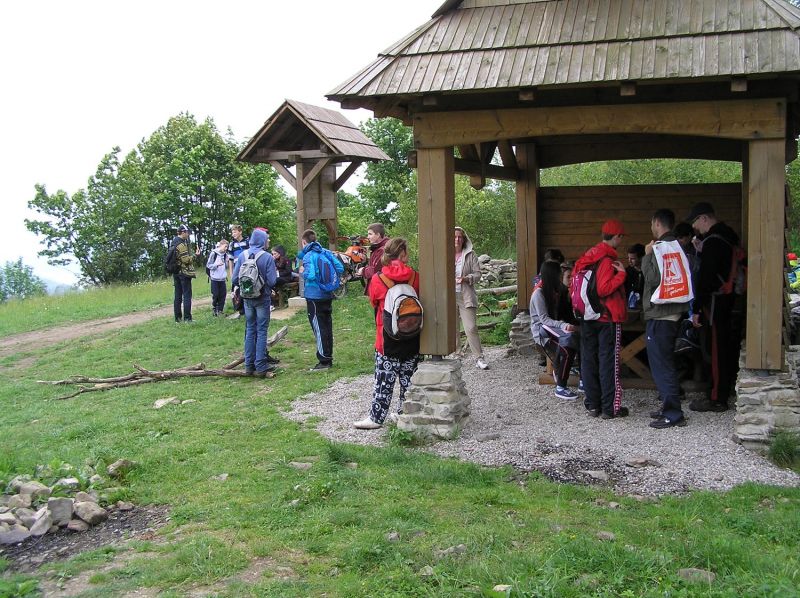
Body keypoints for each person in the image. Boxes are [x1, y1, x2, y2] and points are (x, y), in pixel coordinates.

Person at [354, 237, 421, 429]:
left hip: (386, 338)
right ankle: (405, 414)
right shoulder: (415, 277)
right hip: (412, 335)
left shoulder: (378, 278)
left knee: (383, 380)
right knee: (409, 379)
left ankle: (376, 418)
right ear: (403, 255)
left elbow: (374, 302)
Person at [686, 202, 740, 412]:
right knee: (723, 348)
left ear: (704, 218)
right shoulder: (728, 237)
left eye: (695, 221)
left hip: (715, 303)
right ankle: (721, 390)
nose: (695, 227)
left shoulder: (713, 242)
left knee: (716, 351)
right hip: (727, 300)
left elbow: (705, 279)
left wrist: (697, 308)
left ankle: (717, 398)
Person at [574, 219, 629, 419]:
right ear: (617, 236)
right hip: (606, 317)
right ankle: (609, 408)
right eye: (621, 237)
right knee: (608, 361)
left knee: (589, 360)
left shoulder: (587, 257)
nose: (621, 241)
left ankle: (593, 405)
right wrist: (621, 275)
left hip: (587, 316)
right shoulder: (606, 259)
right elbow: (603, 289)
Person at [642, 209, 689, 429]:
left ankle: (673, 413)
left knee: (662, 365)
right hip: (674, 312)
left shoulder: (659, 248)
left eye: (652, 224)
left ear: (657, 223)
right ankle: (668, 408)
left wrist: (647, 255)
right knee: (665, 362)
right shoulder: (677, 246)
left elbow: (652, 279)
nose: (651, 227)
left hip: (661, 314)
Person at [530, 261, 580, 399]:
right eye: (559, 273)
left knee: (579, 339)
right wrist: (563, 325)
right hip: (542, 333)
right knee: (568, 347)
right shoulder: (539, 293)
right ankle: (561, 387)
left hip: (554, 330)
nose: (561, 276)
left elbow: (565, 314)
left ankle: (582, 380)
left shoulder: (556, 291)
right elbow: (544, 320)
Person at [232, 228, 278, 377]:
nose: (268, 241)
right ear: (262, 240)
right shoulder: (267, 257)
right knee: (262, 330)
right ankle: (261, 365)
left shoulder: (242, 255)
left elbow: (234, 279)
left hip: (247, 299)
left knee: (250, 329)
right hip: (262, 298)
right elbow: (272, 281)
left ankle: (248, 365)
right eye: (266, 238)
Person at [297, 229, 344, 371]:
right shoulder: (325, 252)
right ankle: (328, 356)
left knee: (319, 327)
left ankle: (324, 361)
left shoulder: (308, 255)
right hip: (327, 294)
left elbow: (310, 275)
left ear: (304, 242)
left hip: (314, 296)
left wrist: (302, 272)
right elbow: (340, 268)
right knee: (327, 326)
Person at [454, 226, 489, 370]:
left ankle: (479, 358)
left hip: (466, 295)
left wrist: (466, 278)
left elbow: (478, 274)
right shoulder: (444, 253)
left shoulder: (470, 254)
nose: (457, 240)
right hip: (449, 296)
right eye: (454, 237)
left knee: (471, 327)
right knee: (453, 328)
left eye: (459, 237)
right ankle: (457, 355)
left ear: (464, 239)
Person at [169, 224, 200, 322]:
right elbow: (186, 260)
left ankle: (177, 319)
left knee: (177, 296)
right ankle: (187, 319)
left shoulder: (173, 242)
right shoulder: (181, 245)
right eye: (187, 233)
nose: (188, 235)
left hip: (176, 272)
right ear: (183, 232)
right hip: (184, 272)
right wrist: (195, 255)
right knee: (187, 296)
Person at [358, 223, 389, 291]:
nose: (368, 237)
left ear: (378, 235)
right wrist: (366, 260)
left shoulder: (382, 250)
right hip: (381, 285)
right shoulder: (379, 247)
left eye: (370, 234)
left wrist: (362, 271)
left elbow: (376, 270)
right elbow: (376, 264)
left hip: (381, 287)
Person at [227, 224, 250, 319]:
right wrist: (231, 273)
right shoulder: (232, 244)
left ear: (240, 232)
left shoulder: (247, 242)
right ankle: (240, 310)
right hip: (237, 268)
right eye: (232, 232)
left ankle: (248, 308)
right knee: (236, 289)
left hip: (247, 268)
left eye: (235, 232)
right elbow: (230, 260)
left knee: (247, 287)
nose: (233, 234)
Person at [207, 239, 229, 316]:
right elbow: (208, 265)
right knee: (215, 295)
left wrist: (227, 262)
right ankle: (214, 309)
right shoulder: (214, 253)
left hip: (222, 278)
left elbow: (226, 266)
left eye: (227, 247)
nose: (226, 248)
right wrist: (216, 265)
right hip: (214, 278)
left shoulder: (226, 255)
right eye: (225, 246)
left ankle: (220, 310)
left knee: (223, 295)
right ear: (220, 245)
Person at [271, 245, 297, 309]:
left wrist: (278, 273)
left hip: (287, 277)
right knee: (270, 280)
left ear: (279, 253)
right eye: (272, 254)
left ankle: (276, 297)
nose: (273, 255)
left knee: (276, 280)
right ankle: (274, 298)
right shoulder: (275, 260)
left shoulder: (286, 259)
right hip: (278, 277)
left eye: (275, 254)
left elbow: (288, 271)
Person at [625, 243, 646, 308]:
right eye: (628, 258)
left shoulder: (648, 272)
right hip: (630, 306)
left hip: (646, 306)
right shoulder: (626, 272)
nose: (629, 261)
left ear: (641, 258)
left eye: (632, 259)